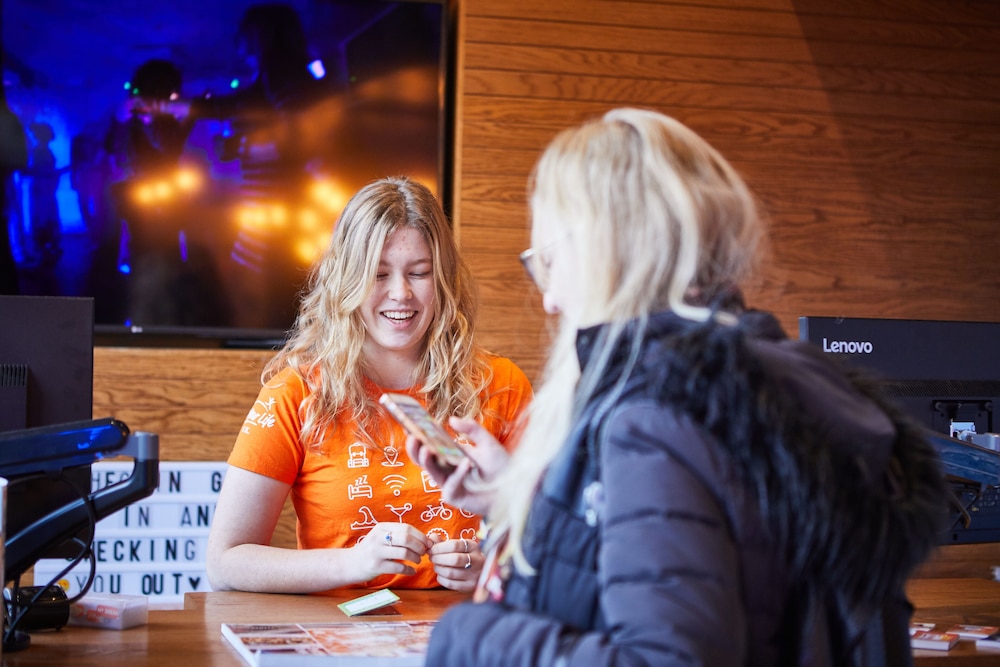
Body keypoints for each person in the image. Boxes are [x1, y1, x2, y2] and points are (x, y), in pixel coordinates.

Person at [409, 108, 948, 665]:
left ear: (606, 253)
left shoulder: (652, 418)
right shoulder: (756, 381)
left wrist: (470, 637)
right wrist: (514, 501)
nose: (549, 299)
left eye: (549, 260)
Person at [206, 176, 532, 594]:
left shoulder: (502, 384)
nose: (400, 293)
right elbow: (225, 562)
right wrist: (352, 563)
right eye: (378, 274)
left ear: (443, 279)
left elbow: (553, 540)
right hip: (341, 629)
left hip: (464, 627)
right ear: (347, 281)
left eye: (419, 273)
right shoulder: (297, 393)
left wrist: (496, 567)